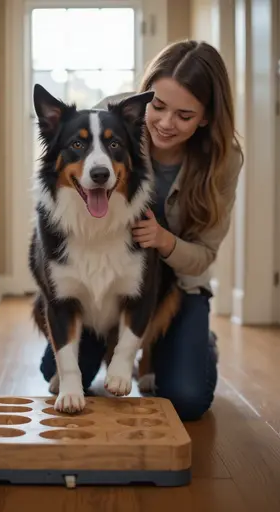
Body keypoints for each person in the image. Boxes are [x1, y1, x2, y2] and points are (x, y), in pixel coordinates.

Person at [39, 40, 244, 421]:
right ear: (144, 97)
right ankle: (106, 346)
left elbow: (204, 257)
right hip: (98, 276)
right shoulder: (116, 120)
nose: (166, 123)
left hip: (174, 284)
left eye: (184, 115)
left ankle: (191, 342)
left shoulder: (224, 160)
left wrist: (164, 241)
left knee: (187, 398)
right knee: (55, 375)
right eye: (159, 107)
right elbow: (67, 173)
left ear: (205, 117)